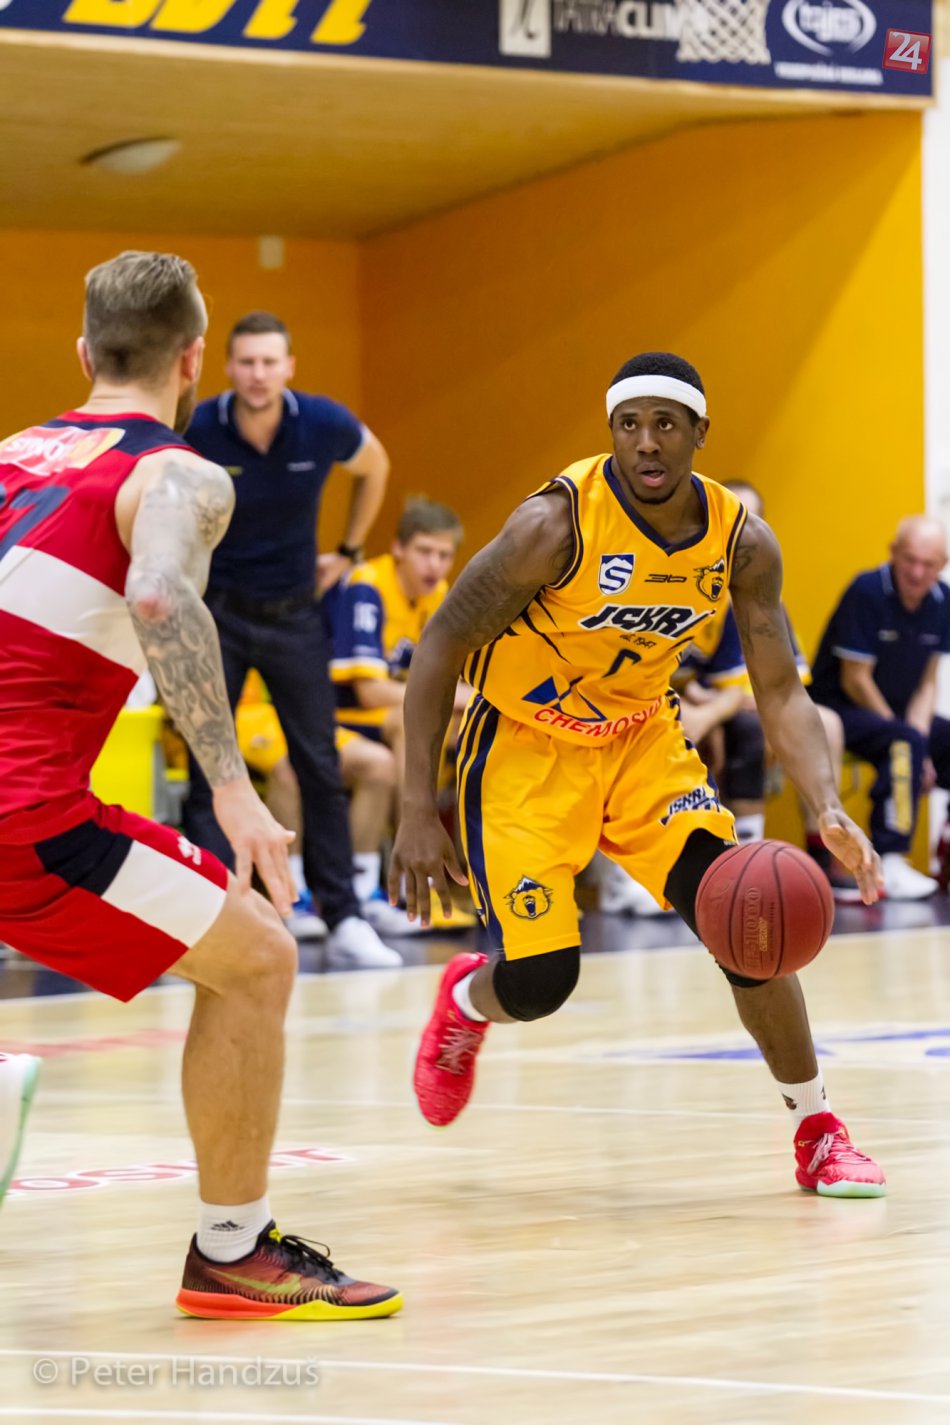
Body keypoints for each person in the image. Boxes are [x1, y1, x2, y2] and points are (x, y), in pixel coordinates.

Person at [0, 251, 401, 1317]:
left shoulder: (11, 458)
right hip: (24, 814)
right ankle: (232, 1250)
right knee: (260, 958)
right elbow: (161, 597)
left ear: (83, 354)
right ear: (192, 361)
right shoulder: (179, 473)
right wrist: (230, 786)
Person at [390, 351, 886, 1198]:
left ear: (699, 432)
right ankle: (468, 1001)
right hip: (524, 747)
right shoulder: (553, 525)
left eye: (665, 424)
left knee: (746, 920)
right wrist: (414, 807)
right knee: (542, 981)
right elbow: (441, 644)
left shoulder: (741, 541)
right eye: (629, 425)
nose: (647, 442)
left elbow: (778, 687)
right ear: (612, 432)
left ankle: (818, 1129)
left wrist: (826, 803)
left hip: (640, 742)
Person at [182, 311, 399, 968]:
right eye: (246, 361)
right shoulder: (198, 425)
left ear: (289, 367)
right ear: (228, 366)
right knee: (207, 765)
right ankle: (214, 915)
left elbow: (375, 465)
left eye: (269, 361)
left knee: (320, 765)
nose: (257, 374)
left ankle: (344, 915)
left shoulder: (323, 422)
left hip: (296, 613)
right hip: (217, 613)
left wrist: (349, 550)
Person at [809, 515, 950, 900]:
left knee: (936, 739)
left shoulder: (943, 601)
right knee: (904, 742)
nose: (917, 573)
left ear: (942, 565)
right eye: (910, 560)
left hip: (897, 712)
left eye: (928, 564)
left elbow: (927, 682)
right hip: (840, 706)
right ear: (893, 553)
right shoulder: (867, 590)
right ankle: (890, 858)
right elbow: (855, 679)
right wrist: (912, 742)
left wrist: (921, 743)